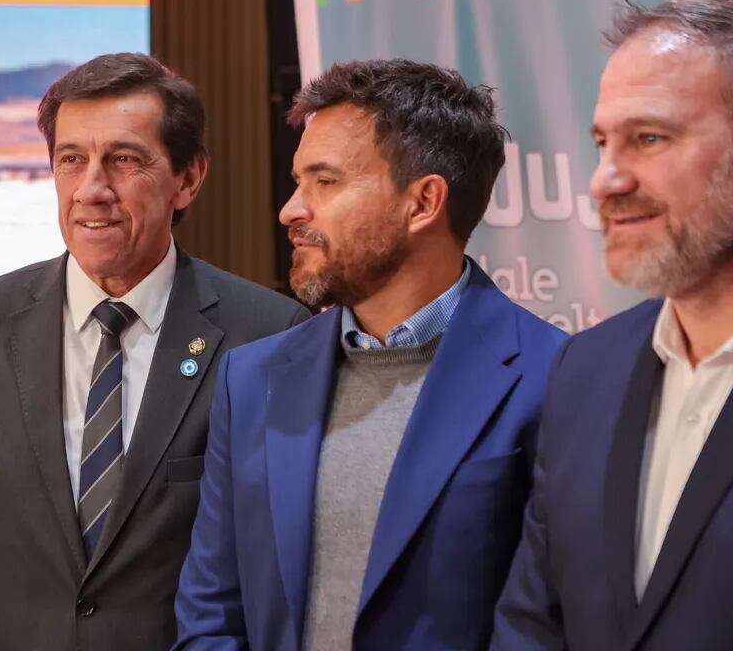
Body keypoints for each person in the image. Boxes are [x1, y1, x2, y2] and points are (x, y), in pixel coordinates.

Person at [0, 52, 310, 650]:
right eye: (71, 160)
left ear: (188, 178)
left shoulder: (266, 334)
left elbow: (274, 575)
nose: (92, 189)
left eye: (123, 160)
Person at [174, 59, 568, 650]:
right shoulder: (252, 378)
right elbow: (211, 614)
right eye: (298, 181)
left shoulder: (557, 379)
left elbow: (551, 626)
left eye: (324, 182)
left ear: (423, 202)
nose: (290, 210)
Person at [492, 0, 733, 649]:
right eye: (602, 142)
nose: (604, 180)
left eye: (649, 138)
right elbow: (531, 623)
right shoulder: (584, 371)